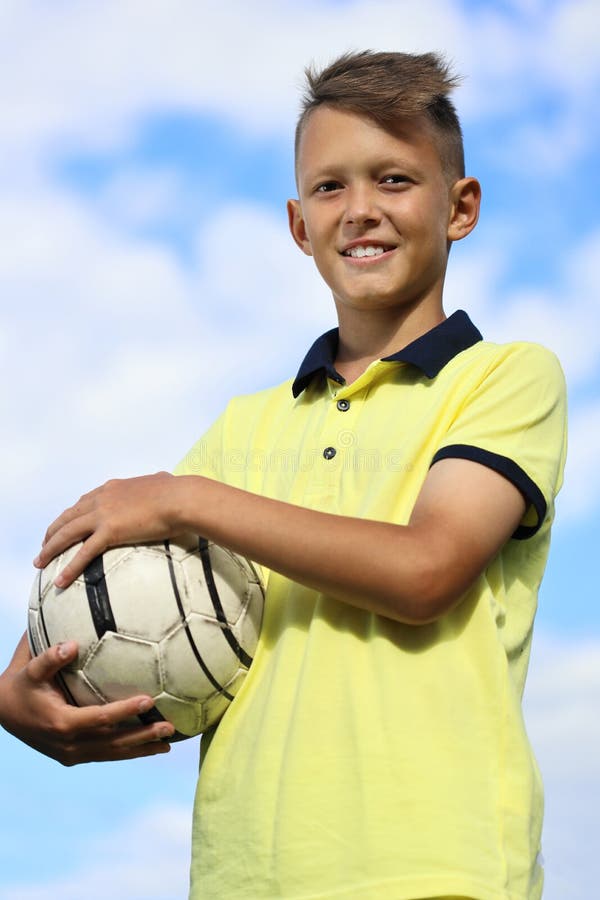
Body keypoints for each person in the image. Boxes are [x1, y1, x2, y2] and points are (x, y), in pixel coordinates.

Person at [0, 51, 567, 899]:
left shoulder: (505, 378)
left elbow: (426, 570)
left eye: (395, 179)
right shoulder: (244, 431)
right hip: (249, 876)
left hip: (439, 870)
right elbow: (104, 597)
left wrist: (185, 496)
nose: (362, 210)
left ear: (460, 207)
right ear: (300, 226)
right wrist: (19, 694)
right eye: (331, 187)